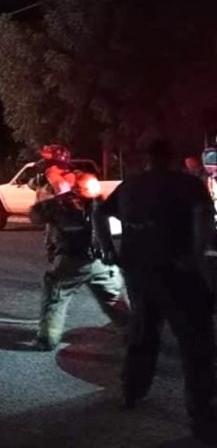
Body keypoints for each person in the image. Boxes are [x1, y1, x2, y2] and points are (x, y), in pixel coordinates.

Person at [95, 139, 217, 442]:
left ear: (146, 159)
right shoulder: (187, 185)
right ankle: (200, 413)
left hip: (138, 271)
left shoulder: (131, 185)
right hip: (179, 272)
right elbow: (203, 221)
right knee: (195, 342)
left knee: (143, 332)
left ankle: (131, 391)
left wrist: (108, 249)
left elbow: (99, 213)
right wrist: (200, 262)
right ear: (172, 157)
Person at [29, 170, 129, 351]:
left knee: (55, 297)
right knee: (113, 298)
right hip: (101, 262)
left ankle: (47, 339)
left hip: (70, 261)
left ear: (75, 187)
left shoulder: (60, 204)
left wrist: (49, 190)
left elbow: (35, 216)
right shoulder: (103, 203)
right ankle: (133, 333)